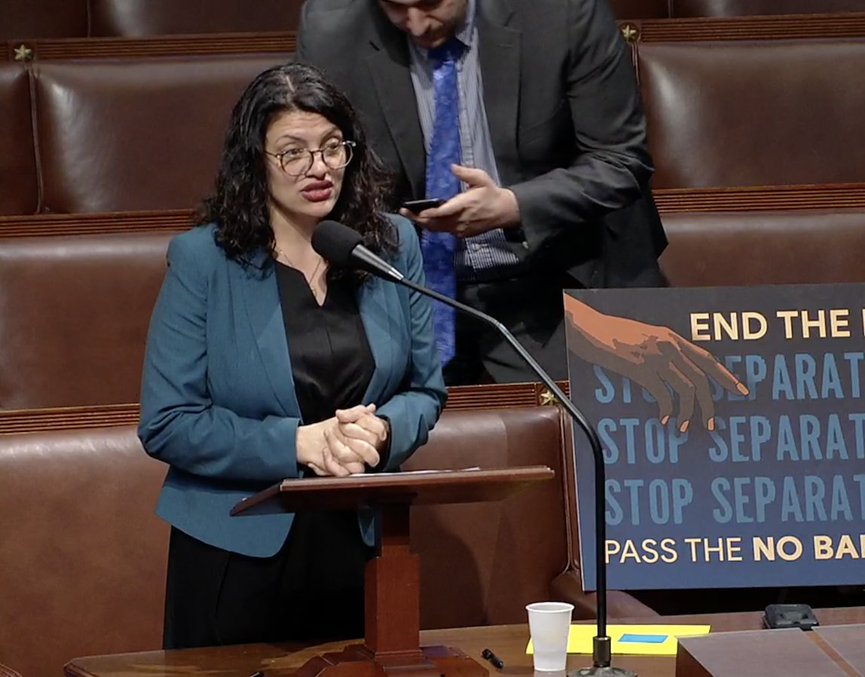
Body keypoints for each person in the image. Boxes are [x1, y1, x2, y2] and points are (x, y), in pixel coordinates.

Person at [137, 62, 446, 649]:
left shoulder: (389, 243)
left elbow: (426, 390)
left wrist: (381, 432)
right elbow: (168, 422)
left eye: (333, 148)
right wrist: (297, 443)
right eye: (293, 153)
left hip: (361, 538)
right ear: (256, 160)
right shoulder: (205, 259)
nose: (318, 168)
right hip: (239, 549)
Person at [297, 0, 669, 385]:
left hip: (558, 280)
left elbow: (621, 160)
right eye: (395, 7)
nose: (416, 24)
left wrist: (515, 206)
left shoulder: (561, 12)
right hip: (411, 291)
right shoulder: (331, 30)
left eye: (429, 3)